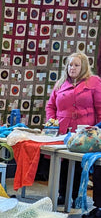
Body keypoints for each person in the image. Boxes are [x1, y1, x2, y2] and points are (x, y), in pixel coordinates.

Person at [45, 52, 101, 205]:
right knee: (62, 163)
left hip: (85, 132)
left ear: (83, 67)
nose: (72, 68)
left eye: (76, 65)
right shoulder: (61, 83)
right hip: (64, 130)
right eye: (70, 65)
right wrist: (51, 122)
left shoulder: (94, 82)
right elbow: (50, 106)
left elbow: (100, 107)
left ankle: (76, 195)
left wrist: (98, 130)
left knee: (78, 164)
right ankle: (62, 194)